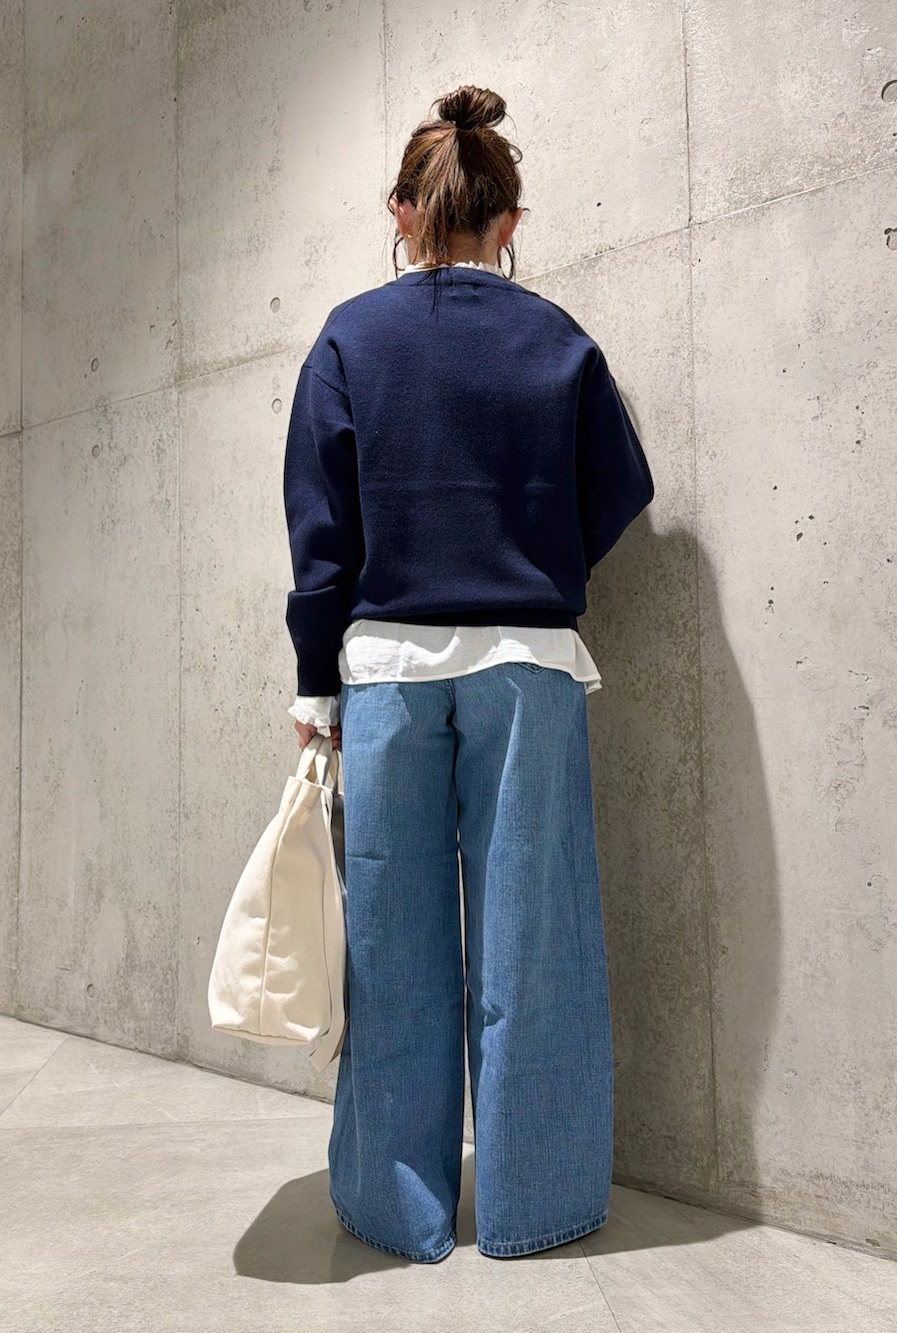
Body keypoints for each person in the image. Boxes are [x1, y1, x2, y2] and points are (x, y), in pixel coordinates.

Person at [281, 83, 655, 1263]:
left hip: (388, 672)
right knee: (533, 942)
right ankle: (538, 1205)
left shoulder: (349, 338)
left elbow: (320, 537)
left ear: (400, 210)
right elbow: (621, 488)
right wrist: (536, 561)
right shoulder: (558, 340)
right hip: (527, 666)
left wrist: (314, 684)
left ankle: (397, 1207)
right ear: (510, 219)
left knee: (391, 946)